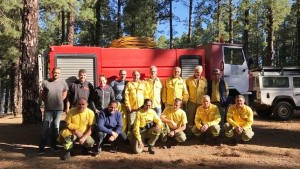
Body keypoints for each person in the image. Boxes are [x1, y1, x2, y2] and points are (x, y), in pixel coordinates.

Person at [38, 67, 68, 155]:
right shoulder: (46, 82)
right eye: (55, 72)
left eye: (58, 73)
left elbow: (65, 92)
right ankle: (41, 147)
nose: (56, 74)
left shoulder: (63, 83)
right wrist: (46, 101)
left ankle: (53, 146)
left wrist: (61, 100)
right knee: (45, 128)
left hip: (58, 109)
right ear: (52, 72)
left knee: (56, 128)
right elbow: (42, 94)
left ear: (60, 74)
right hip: (48, 109)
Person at [185, 65, 207, 133]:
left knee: (200, 118)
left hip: (201, 103)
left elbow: (206, 90)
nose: (197, 73)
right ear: (194, 72)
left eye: (199, 72)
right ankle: (189, 133)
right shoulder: (189, 80)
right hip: (191, 102)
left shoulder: (204, 80)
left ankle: (199, 132)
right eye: (196, 72)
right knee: (190, 118)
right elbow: (186, 90)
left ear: (201, 72)